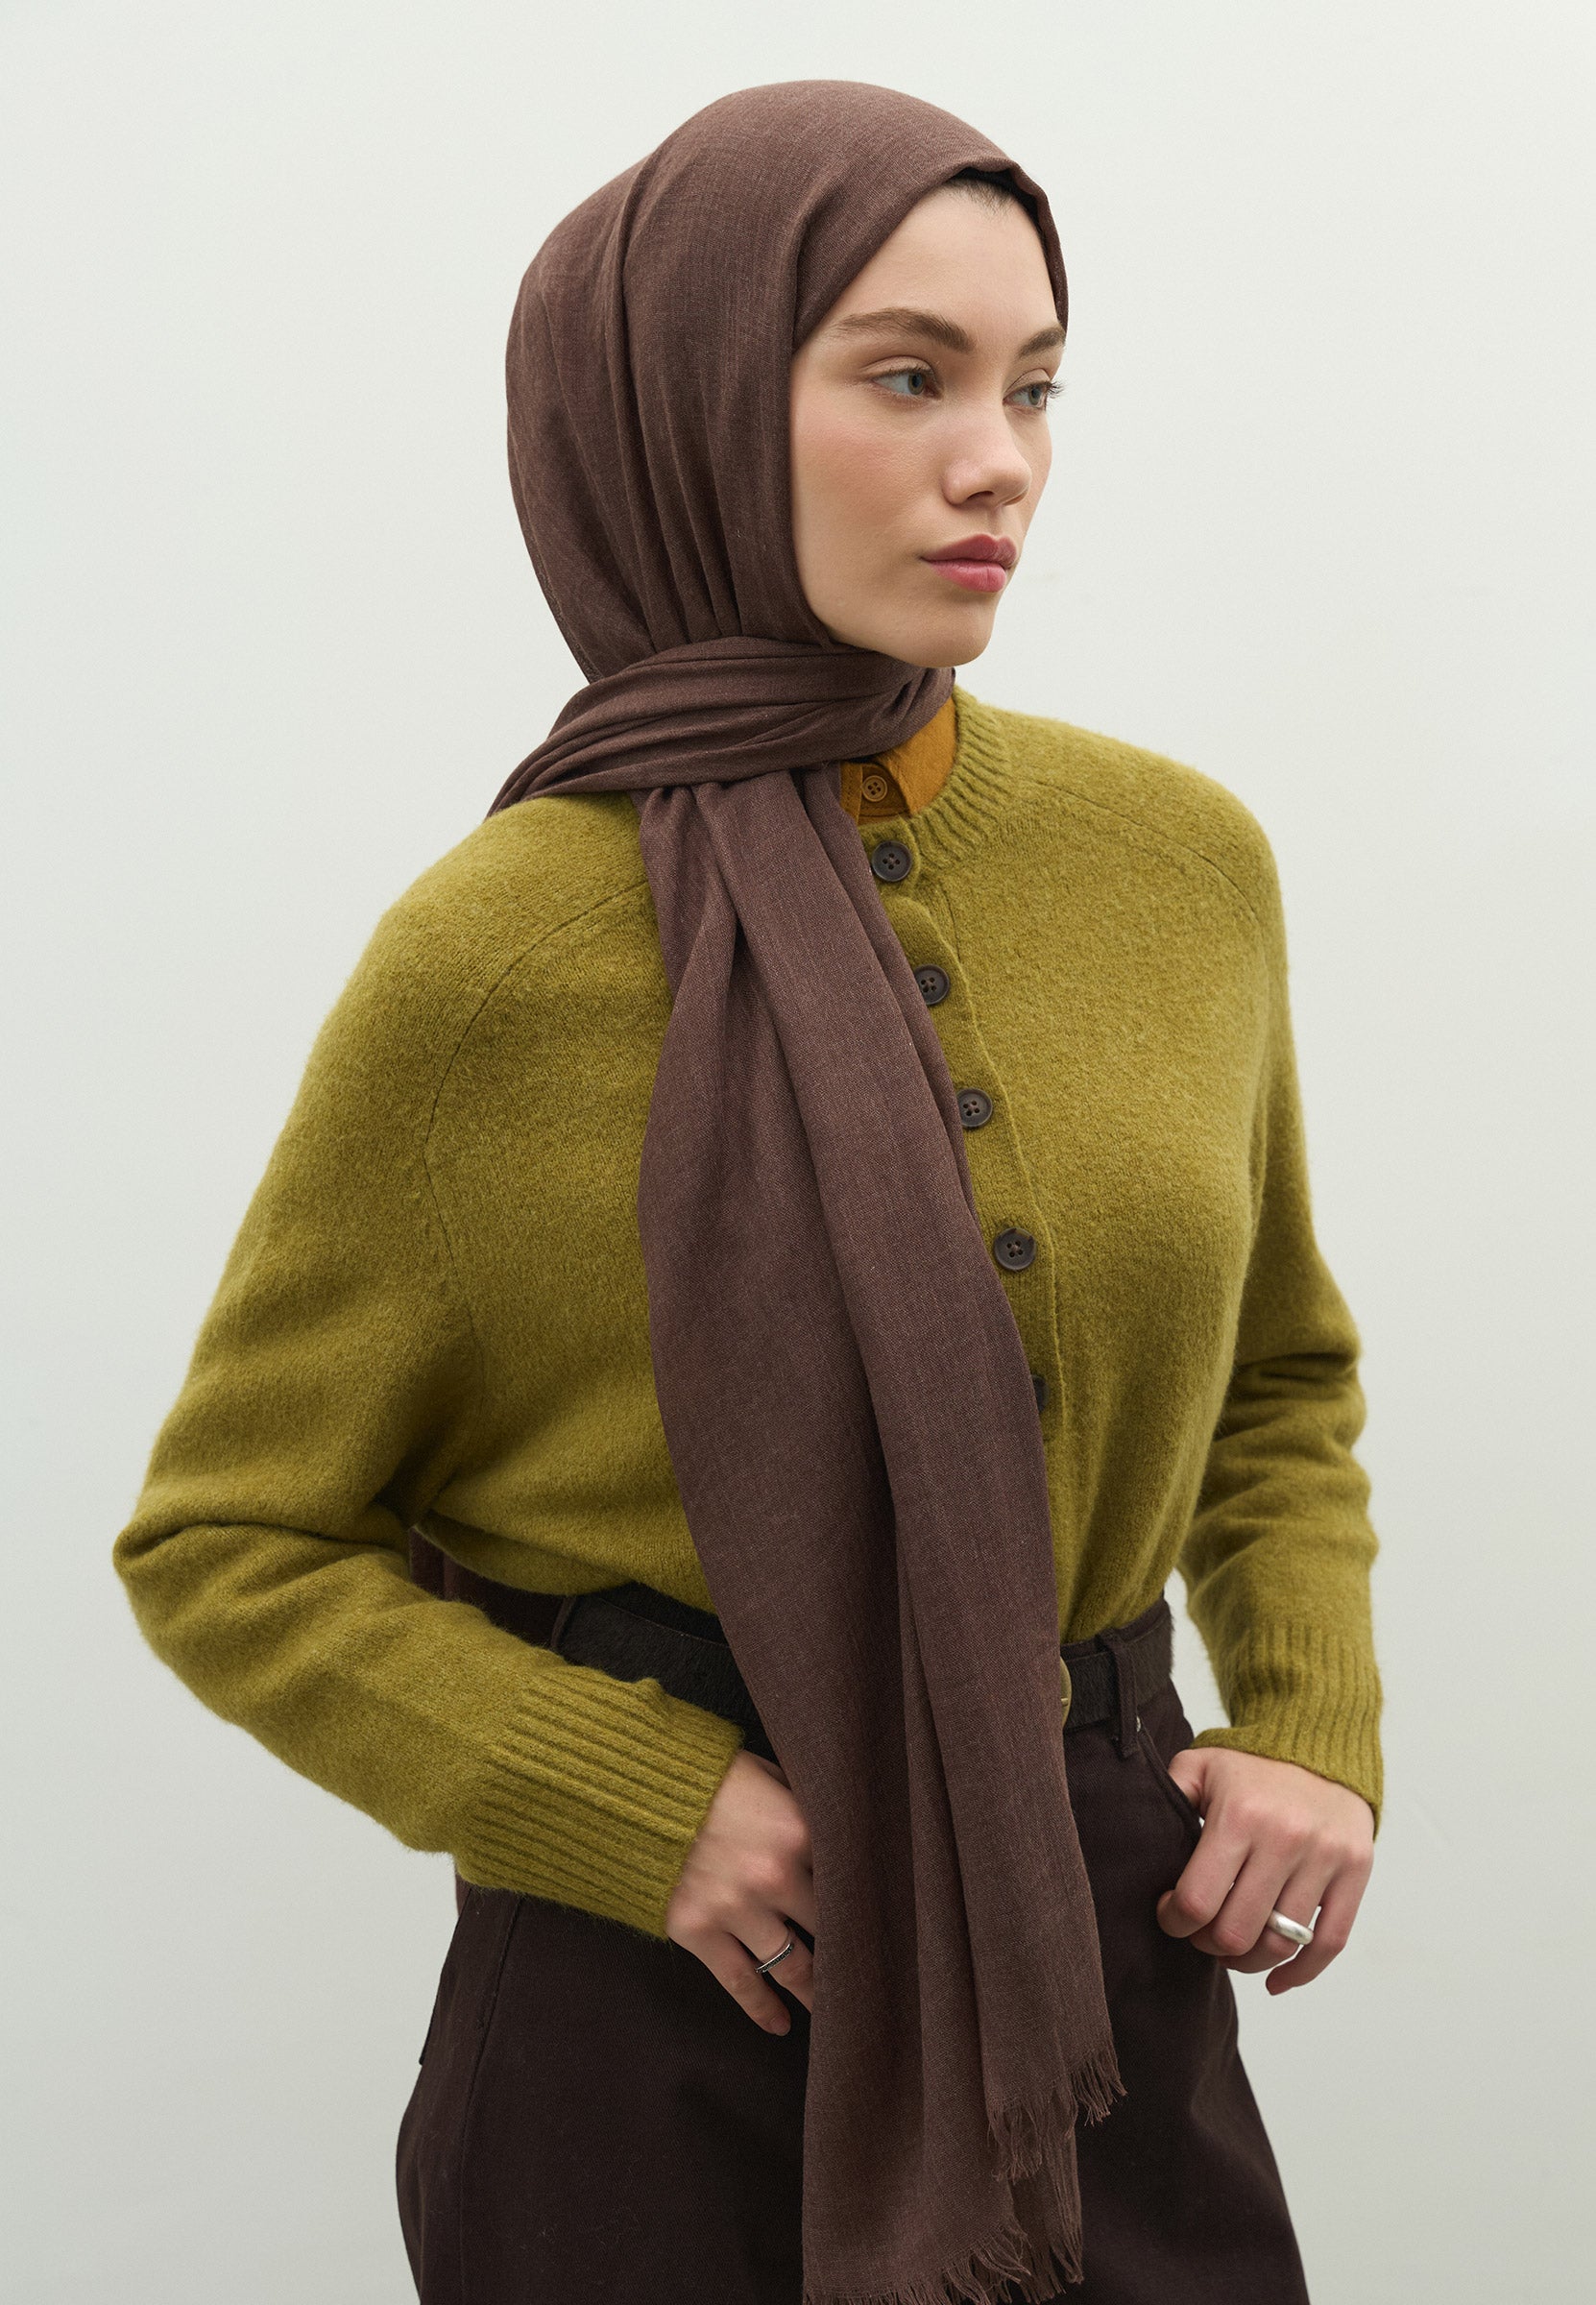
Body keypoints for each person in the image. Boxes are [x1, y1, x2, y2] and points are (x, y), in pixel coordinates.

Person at [113, 80, 1382, 2305]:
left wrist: (1304, 1721)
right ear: (688, 411)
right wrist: (626, 1797)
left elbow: (1274, 1378)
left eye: (1033, 386)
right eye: (907, 377)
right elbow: (231, 1542)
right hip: (661, 1979)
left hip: (1098, 1923)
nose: (998, 460)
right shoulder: (496, 951)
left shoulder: (1183, 866)